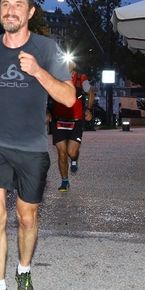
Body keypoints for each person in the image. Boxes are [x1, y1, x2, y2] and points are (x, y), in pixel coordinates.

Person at [0, 0, 75, 290]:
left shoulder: (47, 48)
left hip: (32, 146)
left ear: (30, 12)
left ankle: (24, 270)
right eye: (5, 4)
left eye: (18, 5)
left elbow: (68, 97)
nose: (10, 10)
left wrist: (38, 71)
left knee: (27, 217)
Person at [48, 62, 93, 192]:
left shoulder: (81, 78)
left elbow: (90, 93)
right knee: (62, 154)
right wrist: (47, 111)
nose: (67, 65)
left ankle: (75, 158)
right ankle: (64, 181)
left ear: (74, 64)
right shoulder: (55, 77)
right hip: (58, 120)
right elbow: (45, 94)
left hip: (76, 120)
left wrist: (89, 109)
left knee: (71, 152)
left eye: (70, 62)